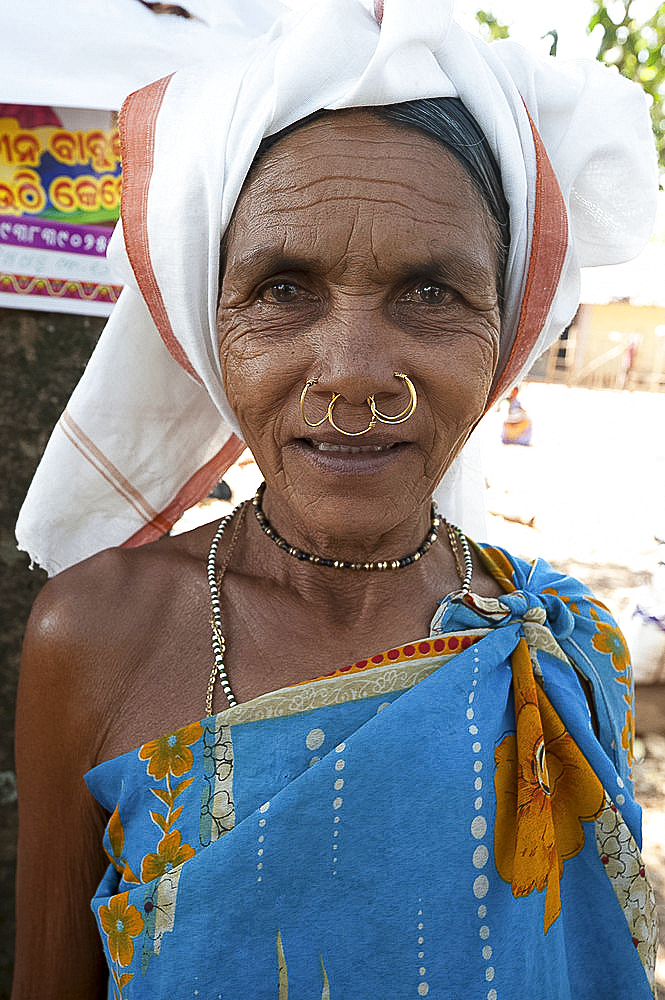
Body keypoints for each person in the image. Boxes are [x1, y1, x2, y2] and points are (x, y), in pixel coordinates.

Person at [12, 1, 659, 997]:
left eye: (431, 291)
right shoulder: (95, 634)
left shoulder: (564, 650)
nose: (353, 373)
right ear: (204, 316)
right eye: (282, 288)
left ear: (506, 323)